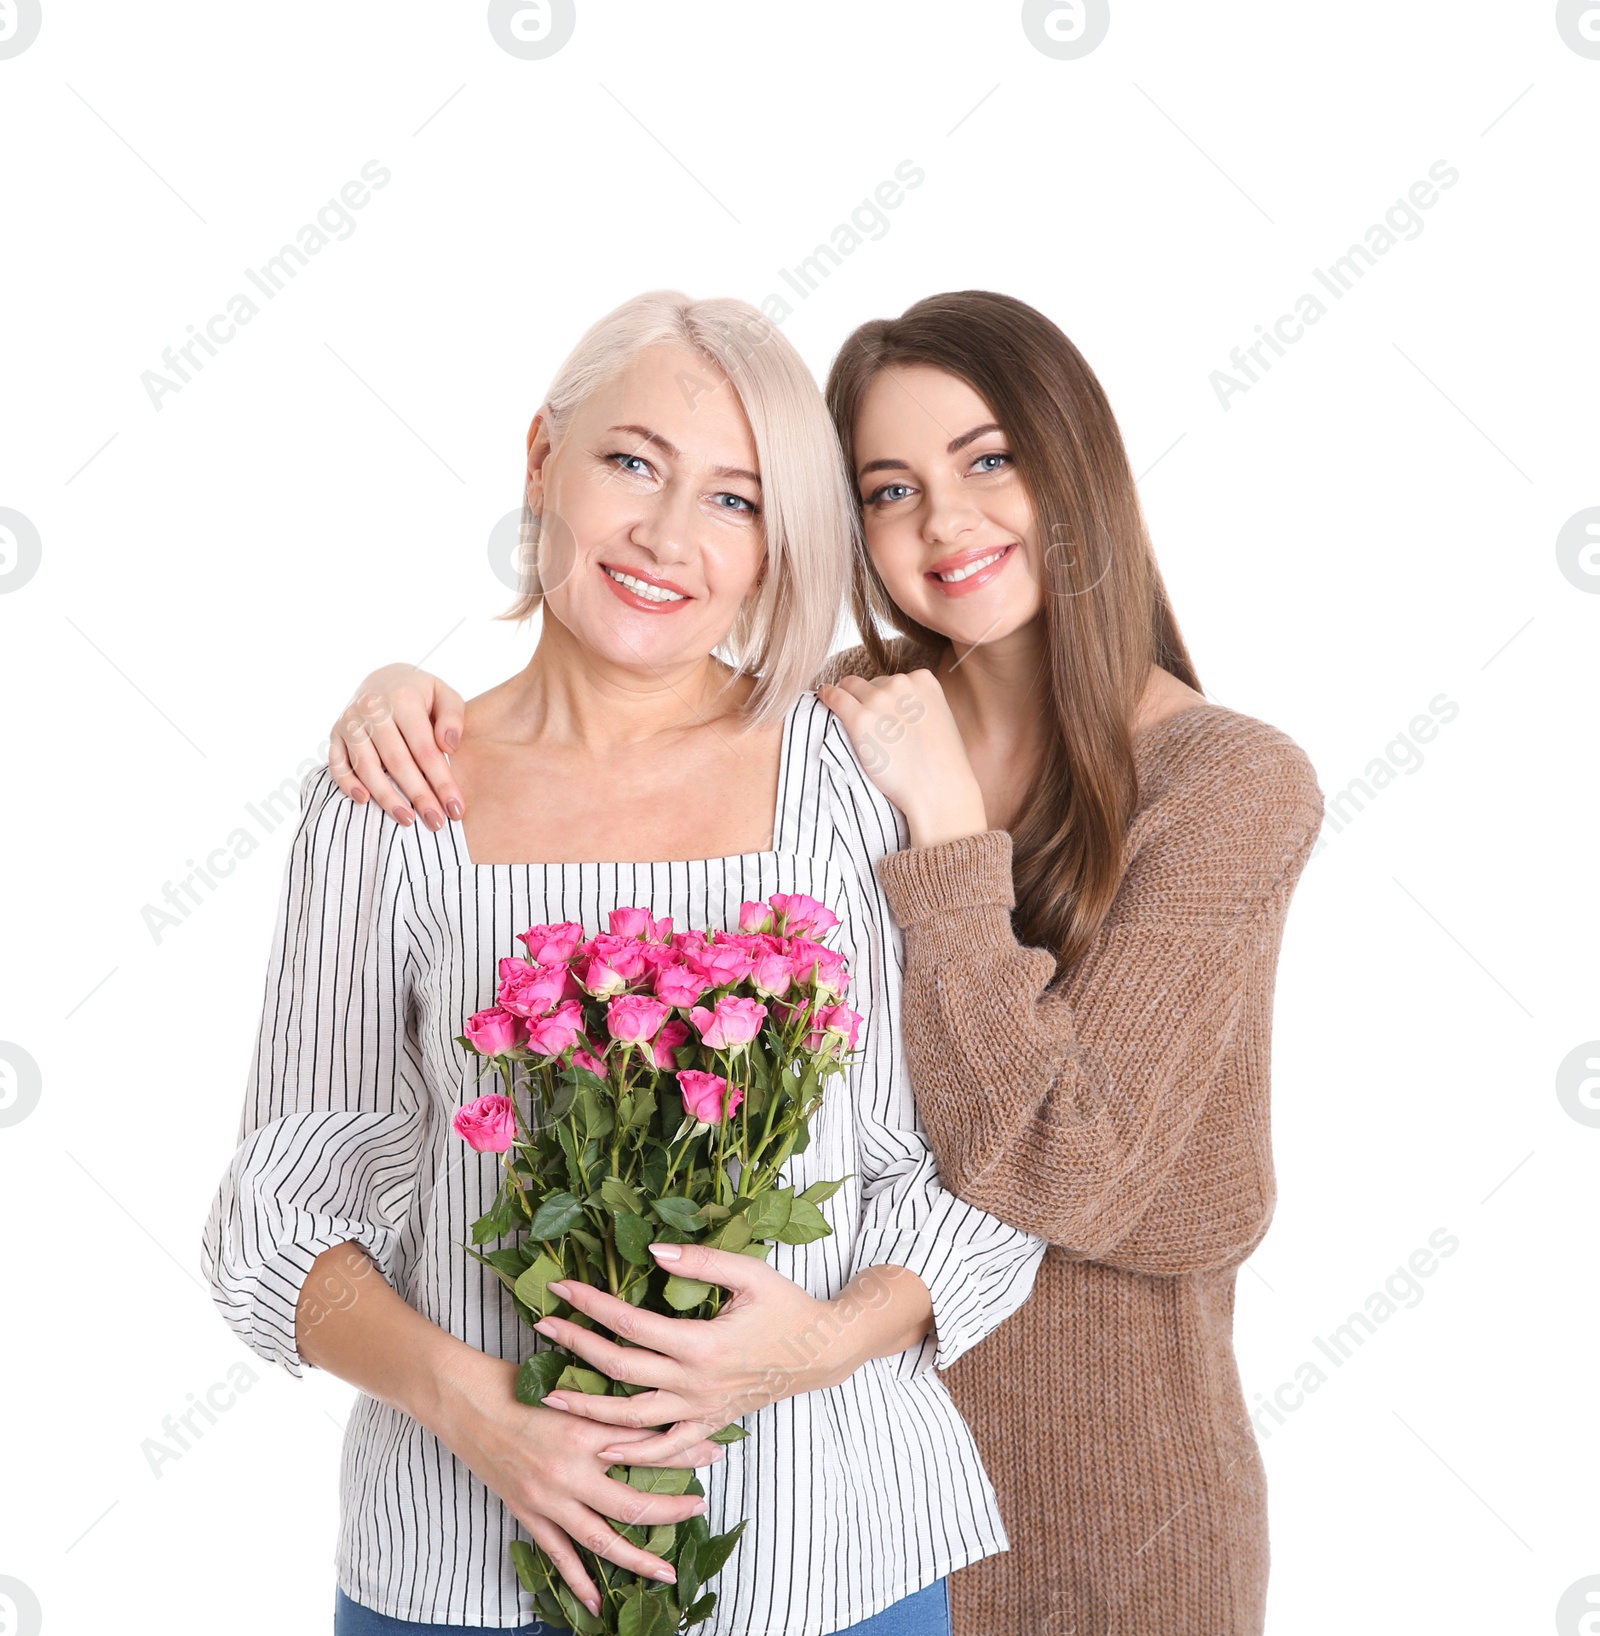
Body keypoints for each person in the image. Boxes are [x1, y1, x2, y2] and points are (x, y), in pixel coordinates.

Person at [323, 290, 1326, 1636]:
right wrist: (407, 689)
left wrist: (954, 834)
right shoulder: (835, 737)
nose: (946, 524)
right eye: (890, 489)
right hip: (821, 1490)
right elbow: (632, 710)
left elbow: (1067, 1162)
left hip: (1103, 1494)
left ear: (1077, 468)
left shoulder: (1228, 783)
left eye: (990, 461)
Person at [202, 291, 1046, 1636]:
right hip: (460, 1569)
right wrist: (471, 1408)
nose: (665, 536)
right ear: (543, 460)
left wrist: (817, 1347)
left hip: (829, 1560)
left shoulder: (860, 778)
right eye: (632, 462)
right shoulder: (393, 793)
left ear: (778, 549)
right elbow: (277, 1212)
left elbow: (993, 1165)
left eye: (736, 499)